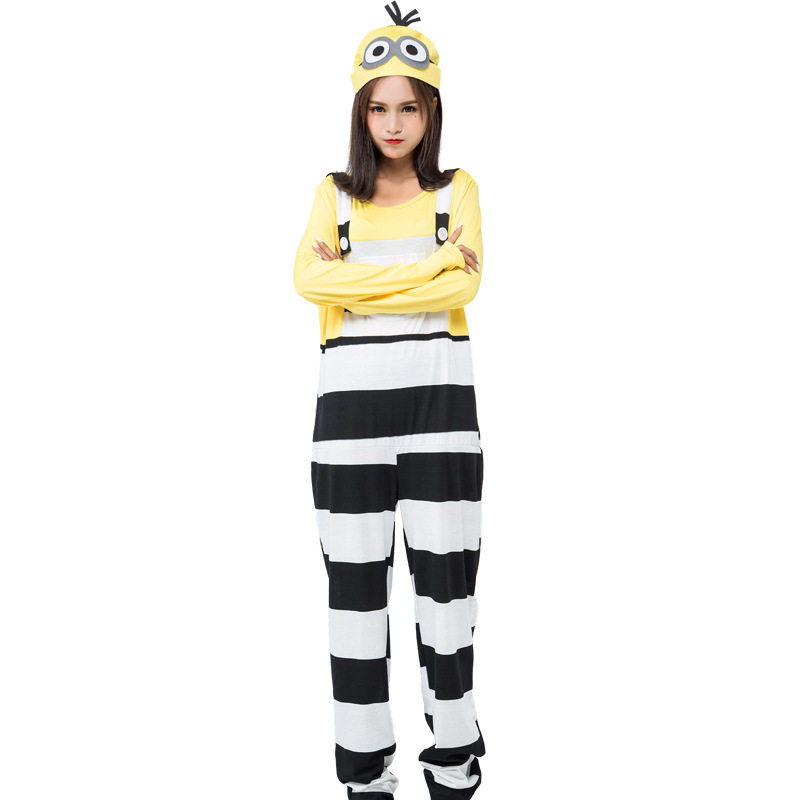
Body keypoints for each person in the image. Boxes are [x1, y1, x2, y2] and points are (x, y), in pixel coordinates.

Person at [293, 4, 486, 798]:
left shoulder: (458, 190)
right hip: (348, 422)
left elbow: (464, 287)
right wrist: (427, 268)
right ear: (360, 111)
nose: (394, 123)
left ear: (431, 110)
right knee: (354, 599)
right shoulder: (333, 195)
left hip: (441, 415)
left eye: (408, 107)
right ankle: (365, 773)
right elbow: (307, 280)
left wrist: (356, 281)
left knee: (448, 593)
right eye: (379, 107)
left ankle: (455, 758)